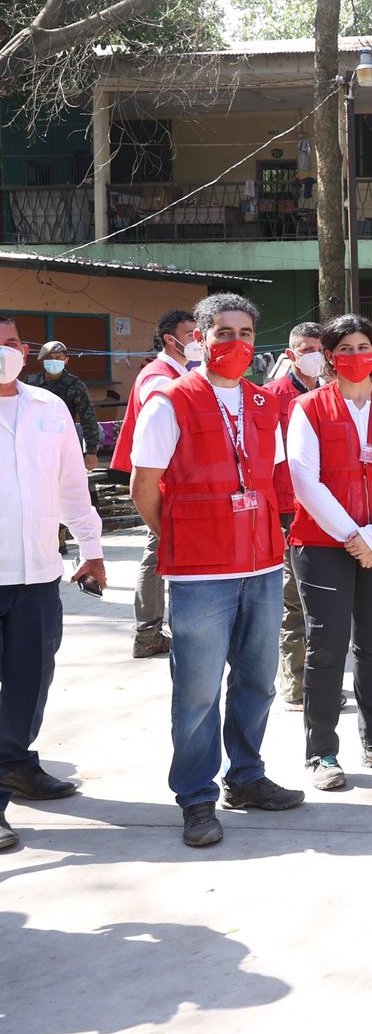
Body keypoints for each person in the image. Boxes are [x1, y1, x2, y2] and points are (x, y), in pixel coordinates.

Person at [129, 293, 306, 848]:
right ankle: (196, 796)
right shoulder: (169, 401)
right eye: (223, 332)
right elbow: (142, 487)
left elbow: (273, 478)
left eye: (245, 333)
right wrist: (180, 537)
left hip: (262, 565)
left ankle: (246, 777)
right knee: (198, 693)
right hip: (201, 574)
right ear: (199, 339)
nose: (236, 342)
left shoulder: (264, 404)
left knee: (257, 683)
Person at [285, 314, 372, 789]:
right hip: (322, 543)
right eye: (345, 349)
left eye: (363, 346)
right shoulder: (308, 407)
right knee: (325, 646)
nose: (356, 356)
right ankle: (321, 752)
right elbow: (304, 478)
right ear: (329, 356)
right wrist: (353, 536)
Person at [0, 316, 106, 852]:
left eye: (11, 342)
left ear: (26, 350)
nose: (6, 352)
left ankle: (14, 765)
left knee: (30, 681)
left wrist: (92, 548)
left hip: (38, 573)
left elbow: (72, 485)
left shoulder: (49, 406)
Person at [112, 307, 198, 659]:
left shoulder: (178, 373)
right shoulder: (159, 379)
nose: (197, 340)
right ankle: (147, 632)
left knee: (159, 551)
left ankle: (149, 632)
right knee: (158, 550)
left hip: (172, 480)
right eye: (191, 334)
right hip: (162, 482)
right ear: (169, 339)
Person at [263, 322, 325, 706]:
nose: (315, 355)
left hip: (329, 510)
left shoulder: (334, 394)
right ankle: (298, 683)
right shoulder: (271, 397)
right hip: (287, 510)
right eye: (306, 349)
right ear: (291, 355)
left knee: (324, 601)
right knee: (295, 601)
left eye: (320, 348)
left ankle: (320, 679)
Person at [23, 340, 99, 466]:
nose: (54, 361)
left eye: (58, 358)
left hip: (65, 446)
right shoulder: (30, 383)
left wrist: (91, 451)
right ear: (42, 361)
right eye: (49, 358)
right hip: (35, 446)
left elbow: (88, 419)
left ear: (66, 360)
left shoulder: (75, 385)